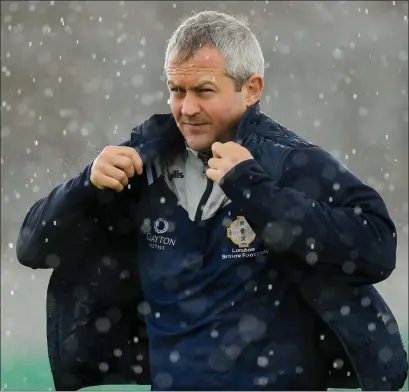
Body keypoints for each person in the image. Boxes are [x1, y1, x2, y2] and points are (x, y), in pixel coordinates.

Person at [17, 10, 408, 391]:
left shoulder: (290, 163)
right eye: (176, 90)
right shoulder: (139, 166)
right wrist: (84, 185)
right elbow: (33, 248)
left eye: (204, 90)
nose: (186, 109)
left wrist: (253, 188)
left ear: (251, 89)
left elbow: (377, 247)